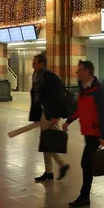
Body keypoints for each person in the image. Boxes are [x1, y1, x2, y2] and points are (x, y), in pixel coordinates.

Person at [63, 60, 104, 208]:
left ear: (87, 72)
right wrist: (68, 121)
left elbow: (103, 114)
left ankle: (84, 197)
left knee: (86, 163)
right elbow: (80, 109)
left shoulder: (98, 90)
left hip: (95, 133)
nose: (77, 72)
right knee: (93, 162)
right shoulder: (83, 89)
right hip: (87, 132)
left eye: (79, 70)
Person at [29, 54, 70, 182]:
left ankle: (60, 166)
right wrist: (36, 116)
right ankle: (50, 171)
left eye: (35, 63)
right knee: (46, 142)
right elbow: (36, 97)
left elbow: (58, 96)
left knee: (47, 142)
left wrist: (56, 116)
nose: (33, 65)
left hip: (50, 114)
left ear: (42, 64)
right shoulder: (37, 77)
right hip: (43, 113)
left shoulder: (51, 78)